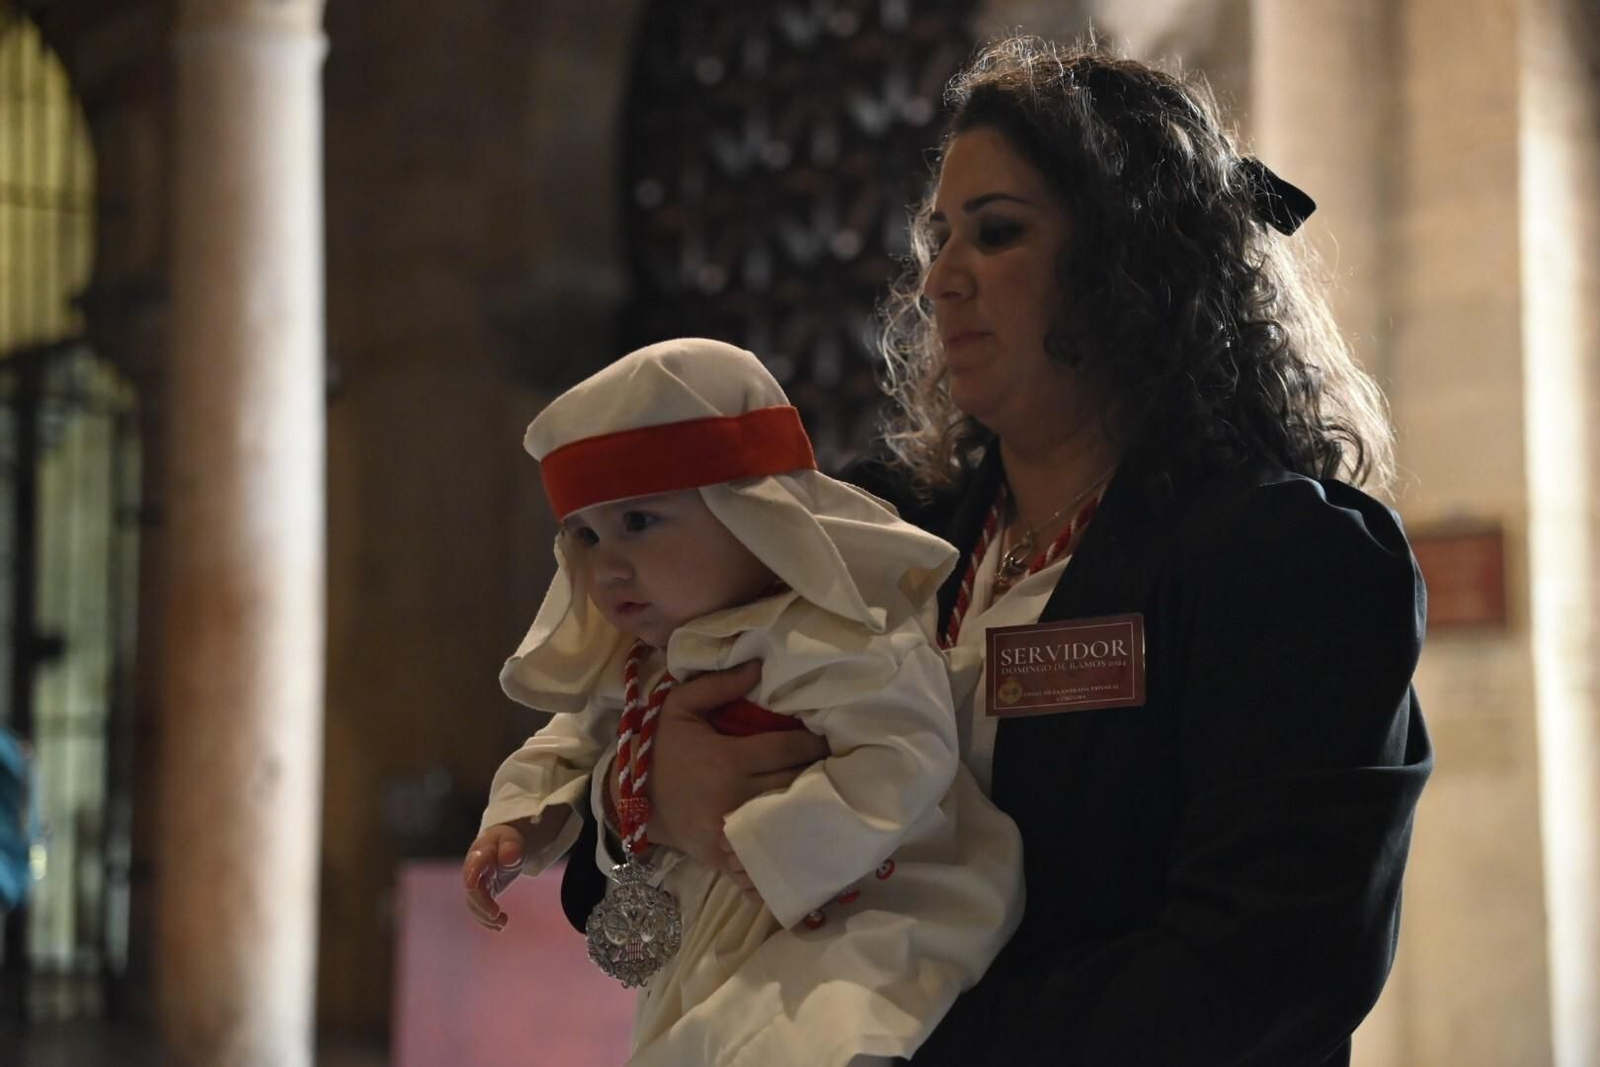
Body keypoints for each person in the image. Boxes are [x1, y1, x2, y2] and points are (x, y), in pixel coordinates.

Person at [560, 35, 1433, 1067]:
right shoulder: (868, 534)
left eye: (997, 233)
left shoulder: (1285, 556)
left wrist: (893, 1049)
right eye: (939, 239)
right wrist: (652, 789)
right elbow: (594, 877)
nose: (941, 282)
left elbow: (1269, 963)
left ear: (1129, 262)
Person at [462, 338, 1024, 1066]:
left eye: (639, 521)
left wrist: (765, 842)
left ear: (753, 513)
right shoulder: (638, 665)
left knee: (790, 1038)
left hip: (850, 914)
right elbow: (576, 738)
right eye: (586, 535)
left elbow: (905, 753)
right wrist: (520, 814)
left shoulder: (832, 631)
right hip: (717, 931)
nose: (609, 564)